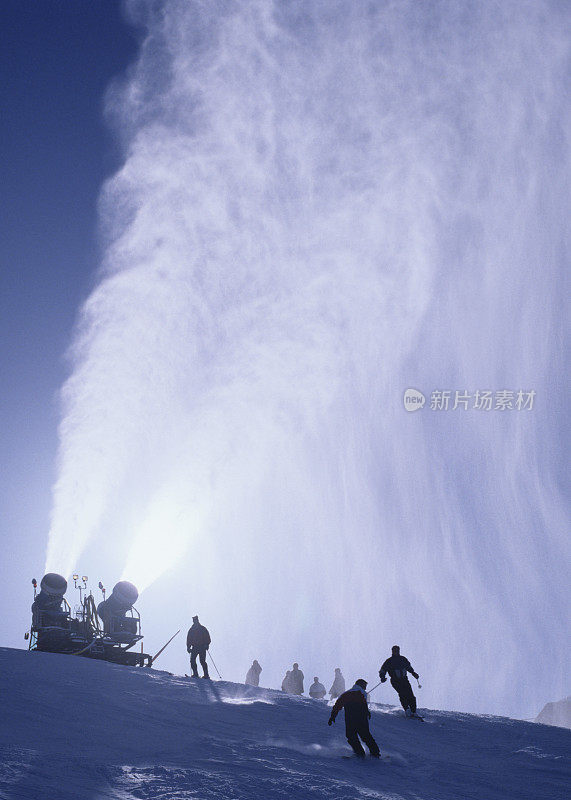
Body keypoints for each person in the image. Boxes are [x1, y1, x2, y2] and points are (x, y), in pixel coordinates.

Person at [328, 679, 380, 758]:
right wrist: (367, 712)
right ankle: (375, 752)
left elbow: (338, 705)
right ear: (361, 685)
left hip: (350, 719)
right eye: (365, 686)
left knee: (351, 735)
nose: (366, 688)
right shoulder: (361, 693)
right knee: (365, 735)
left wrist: (333, 716)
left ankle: (359, 752)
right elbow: (363, 704)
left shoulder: (347, 694)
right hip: (361, 719)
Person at [379, 645, 420, 717]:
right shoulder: (389, 661)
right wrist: (382, 677)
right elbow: (383, 670)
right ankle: (407, 710)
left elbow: (408, 667)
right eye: (394, 650)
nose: (396, 652)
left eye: (397, 650)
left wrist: (413, 673)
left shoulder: (403, 659)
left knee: (410, 695)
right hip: (395, 680)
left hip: (404, 679)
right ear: (392, 651)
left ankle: (413, 711)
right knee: (402, 693)